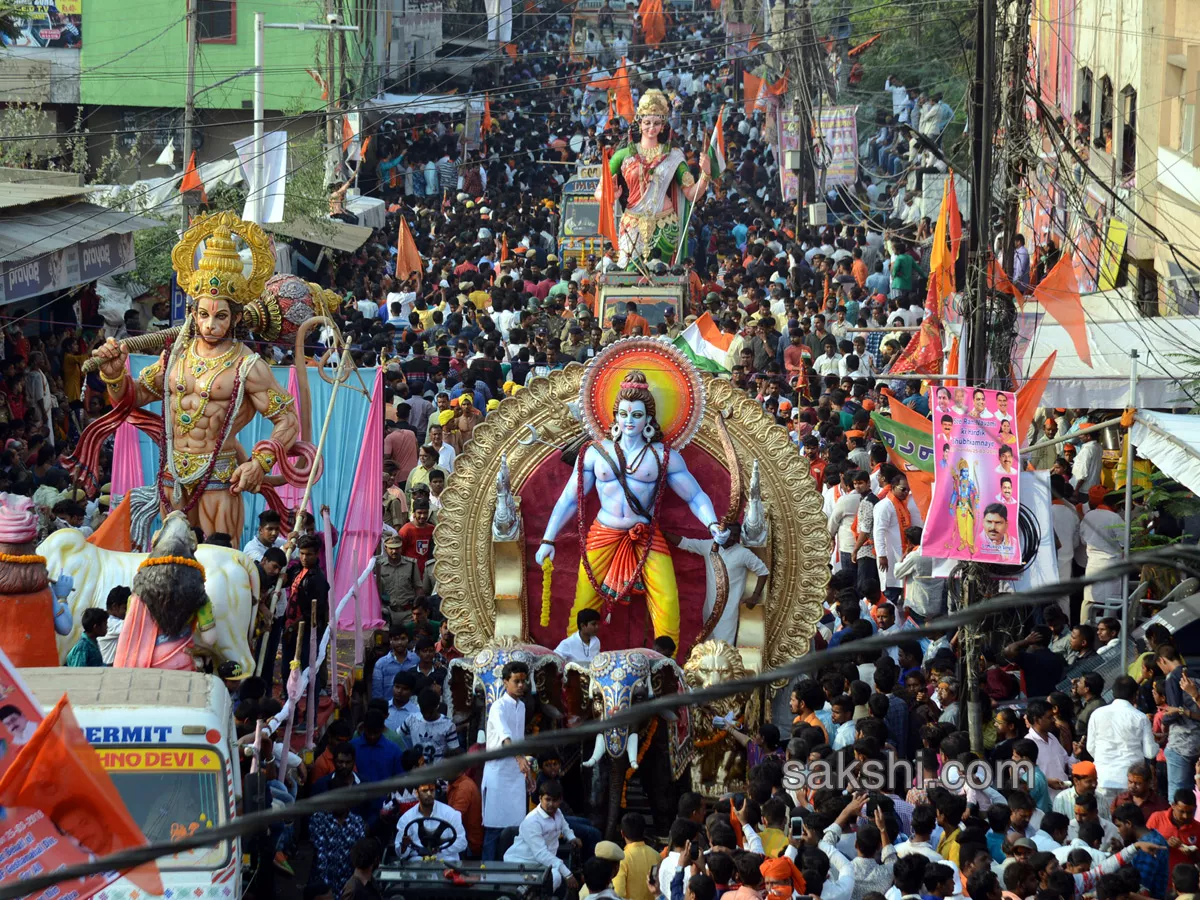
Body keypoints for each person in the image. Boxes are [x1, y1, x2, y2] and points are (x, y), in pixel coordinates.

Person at [536, 371, 729, 650]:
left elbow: (695, 495)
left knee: (667, 602)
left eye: (637, 415)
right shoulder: (595, 453)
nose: (629, 421)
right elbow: (569, 499)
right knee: (584, 601)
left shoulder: (664, 457)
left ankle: (666, 668)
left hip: (646, 535)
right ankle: (573, 663)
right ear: (614, 416)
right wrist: (548, 539)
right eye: (624, 414)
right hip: (603, 533)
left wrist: (712, 524)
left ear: (649, 419)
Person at [666, 523, 769, 645]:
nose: (732, 538)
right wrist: (660, 533)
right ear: (722, 533)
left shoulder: (743, 553)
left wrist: (755, 596)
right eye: (730, 534)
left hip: (728, 612)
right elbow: (684, 542)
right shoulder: (709, 546)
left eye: (736, 535)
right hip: (709, 610)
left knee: (723, 647)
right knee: (708, 647)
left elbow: (763, 571)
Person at [482, 660, 531, 860]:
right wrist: (519, 758)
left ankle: (509, 871)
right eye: (516, 681)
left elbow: (520, 740)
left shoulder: (522, 706)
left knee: (515, 828)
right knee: (493, 828)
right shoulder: (497, 707)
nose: (521, 685)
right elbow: (505, 737)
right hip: (498, 774)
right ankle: (486, 873)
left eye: (523, 681)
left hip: (516, 774)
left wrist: (526, 768)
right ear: (505, 682)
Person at [1087, 675, 1157, 813]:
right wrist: (1156, 743)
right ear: (1135, 695)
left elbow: (1090, 747)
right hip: (1130, 781)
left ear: (1113, 693)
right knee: (1128, 822)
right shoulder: (1140, 717)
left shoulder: (1097, 713)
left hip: (1103, 778)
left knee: (1106, 821)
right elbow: (1150, 752)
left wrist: (1104, 759)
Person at [504, 779, 580, 892]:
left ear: (560, 800)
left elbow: (565, 827)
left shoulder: (557, 812)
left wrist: (572, 837)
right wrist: (567, 874)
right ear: (540, 798)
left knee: (555, 877)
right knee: (552, 879)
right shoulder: (532, 821)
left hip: (543, 864)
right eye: (547, 800)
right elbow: (541, 854)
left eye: (554, 800)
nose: (551, 804)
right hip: (522, 864)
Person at [395, 782, 468, 861]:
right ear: (416, 793)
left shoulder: (450, 813)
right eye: (425, 791)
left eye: (432, 790)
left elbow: (462, 843)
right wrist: (404, 846)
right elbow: (401, 854)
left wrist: (441, 849)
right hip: (418, 864)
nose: (429, 794)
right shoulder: (406, 818)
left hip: (447, 862)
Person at [398, 688, 461, 765]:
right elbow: (397, 737)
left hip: (439, 772)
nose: (427, 715)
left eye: (430, 712)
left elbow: (454, 751)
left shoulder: (448, 725)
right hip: (417, 771)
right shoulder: (411, 720)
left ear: (437, 706)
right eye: (423, 711)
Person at [615, 812, 660, 900]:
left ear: (622, 833)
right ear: (644, 832)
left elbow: (618, 893)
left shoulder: (622, 858)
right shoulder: (657, 856)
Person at [96, 585, 130, 665]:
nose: (128, 612)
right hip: (107, 668)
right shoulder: (111, 623)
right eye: (125, 608)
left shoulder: (108, 620)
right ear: (114, 606)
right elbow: (134, 626)